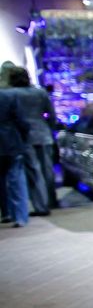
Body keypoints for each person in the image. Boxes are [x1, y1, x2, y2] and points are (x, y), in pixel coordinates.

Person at [8, 66, 57, 213]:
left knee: (33, 171)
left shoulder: (12, 94)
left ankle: (41, 206)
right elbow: (51, 114)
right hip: (43, 132)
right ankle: (51, 200)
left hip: (24, 136)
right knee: (48, 169)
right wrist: (50, 128)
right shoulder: (40, 92)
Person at [0, 86, 32, 227]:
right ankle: (20, 217)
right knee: (16, 180)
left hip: (8, 144)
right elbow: (22, 121)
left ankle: (6, 213)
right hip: (11, 142)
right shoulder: (9, 96)